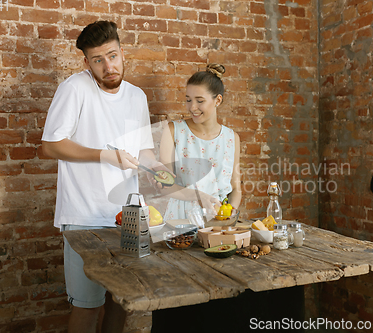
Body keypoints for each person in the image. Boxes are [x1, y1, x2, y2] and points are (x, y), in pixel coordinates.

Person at [41, 21, 166, 333]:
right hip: (84, 218)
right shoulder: (74, 88)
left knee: (120, 302)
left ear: (122, 53)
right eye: (98, 60)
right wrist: (103, 155)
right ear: (86, 62)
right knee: (87, 306)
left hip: (127, 219)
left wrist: (161, 171)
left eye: (112, 56)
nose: (108, 66)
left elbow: (144, 154)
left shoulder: (137, 97)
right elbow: (50, 146)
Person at [159, 64, 241, 221]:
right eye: (188, 100)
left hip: (218, 219)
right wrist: (198, 196)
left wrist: (231, 212)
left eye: (200, 101)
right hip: (181, 219)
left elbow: (236, 188)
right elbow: (165, 187)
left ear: (218, 100)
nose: (192, 107)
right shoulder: (173, 131)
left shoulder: (232, 139)